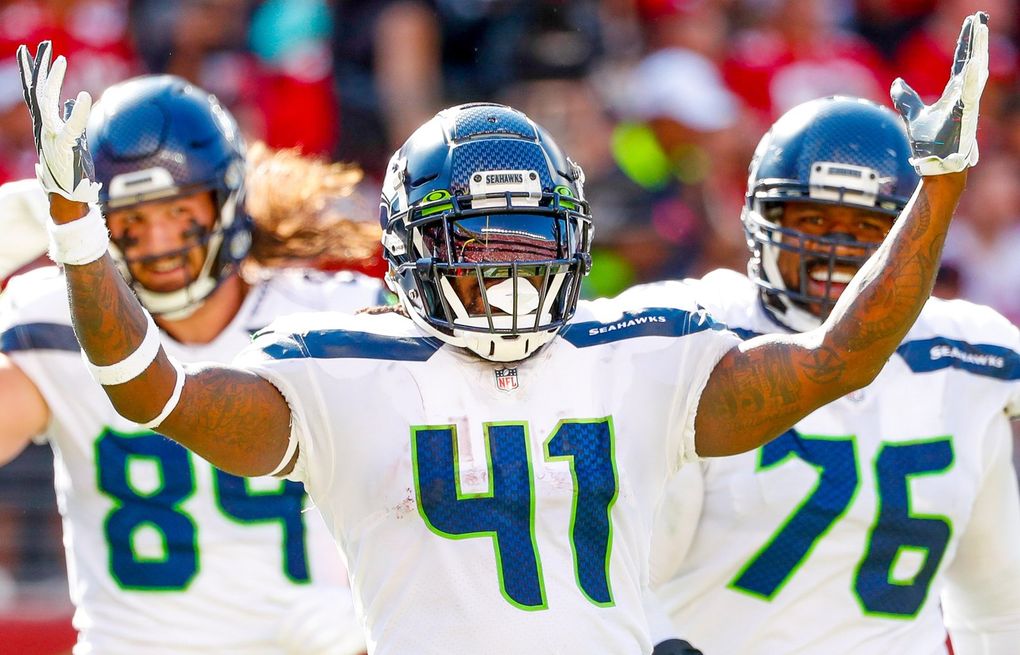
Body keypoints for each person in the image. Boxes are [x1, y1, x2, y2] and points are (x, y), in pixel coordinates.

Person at [15, 11, 989, 653]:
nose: (506, 272)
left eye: (528, 243)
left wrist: (938, 188)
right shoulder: (345, 367)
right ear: (413, 252)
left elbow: (840, 356)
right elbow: (154, 391)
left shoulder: (639, 351)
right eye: (475, 246)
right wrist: (72, 229)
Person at [0, 74, 380, 654]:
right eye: (130, 219)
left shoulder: (329, 316)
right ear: (97, 223)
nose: (157, 243)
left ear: (225, 201)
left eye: (178, 212)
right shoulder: (56, 320)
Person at [647, 95, 1020, 653]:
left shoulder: (967, 356)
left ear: (911, 233)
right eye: (814, 218)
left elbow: (996, 610)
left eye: (868, 226)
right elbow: (621, 573)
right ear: (759, 219)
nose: (837, 248)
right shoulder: (697, 336)